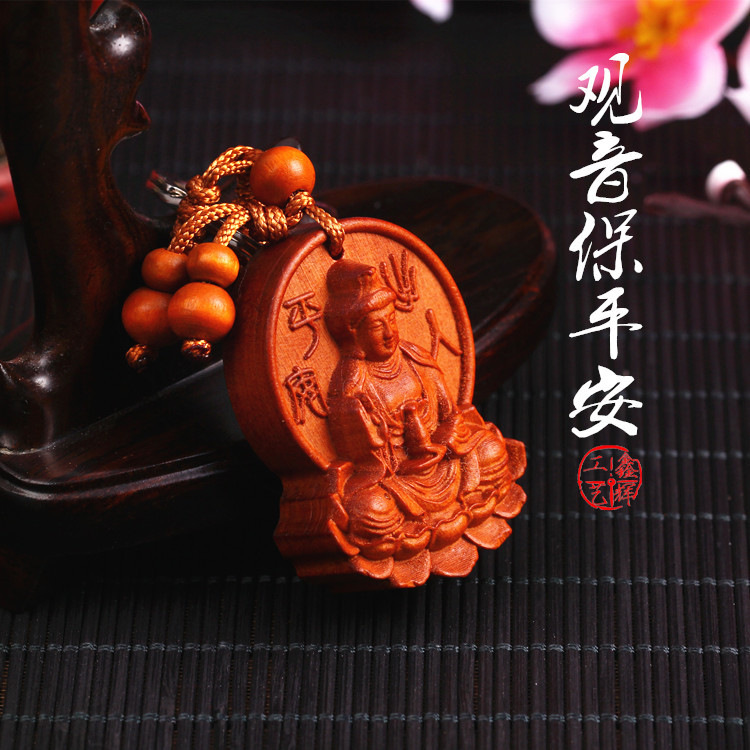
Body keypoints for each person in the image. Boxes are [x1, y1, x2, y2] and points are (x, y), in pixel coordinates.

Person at [324, 259, 512, 560]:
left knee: (490, 450)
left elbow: (451, 414)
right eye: (377, 326)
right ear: (353, 334)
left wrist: (446, 438)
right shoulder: (352, 385)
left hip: (446, 462)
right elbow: (362, 457)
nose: (389, 333)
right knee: (371, 508)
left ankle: (455, 505)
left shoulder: (416, 359)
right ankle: (420, 524)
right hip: (399, 481)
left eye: (392, 320)